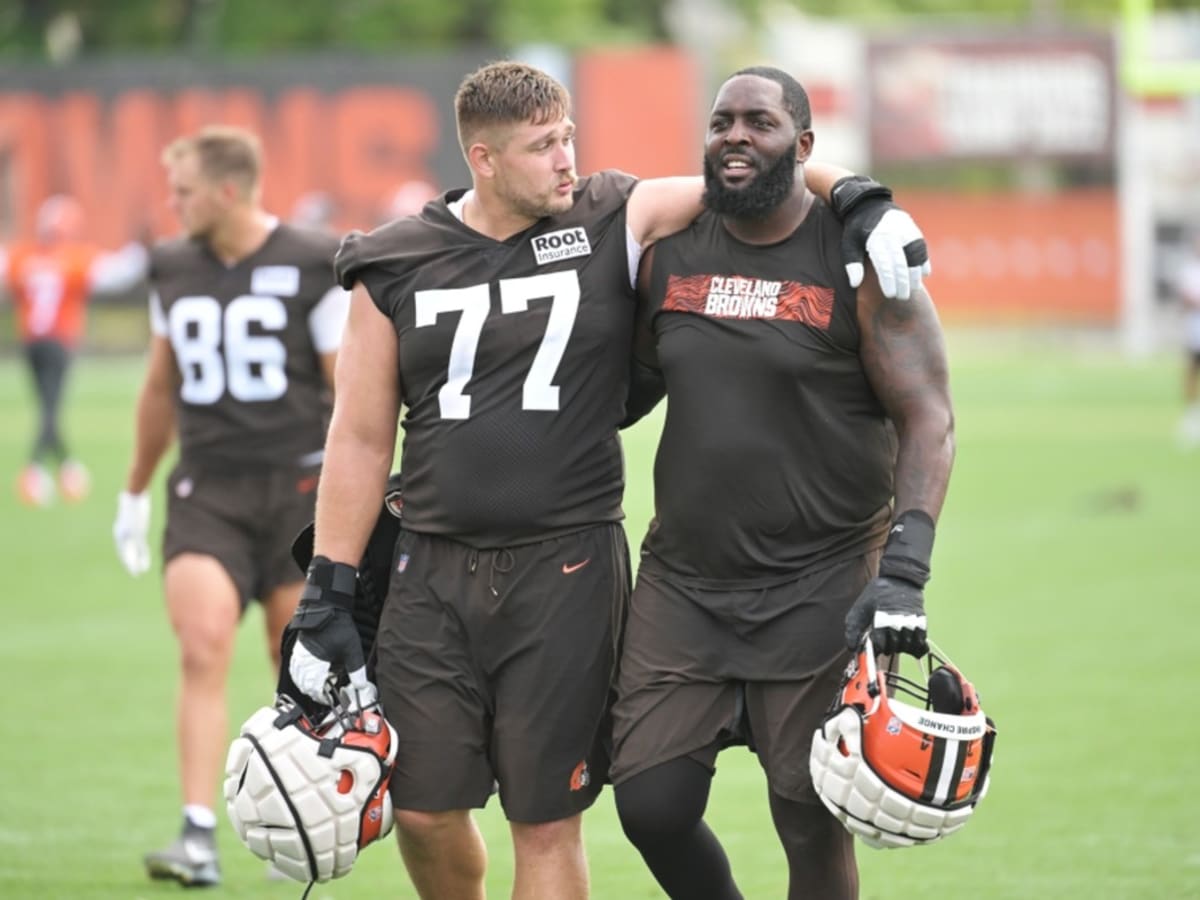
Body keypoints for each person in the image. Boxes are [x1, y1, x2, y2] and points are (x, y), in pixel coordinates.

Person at [282, 60, 933, 900]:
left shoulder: (608, 213)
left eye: (569, 138)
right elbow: (361, 436)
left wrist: (860, 194)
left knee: (547, 820)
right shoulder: (393, 260)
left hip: (566, 566)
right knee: (422, 810)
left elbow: (750, 165)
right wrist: (327, 592)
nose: (566, 160)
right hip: (430, 569)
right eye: (542, 146)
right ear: (483, 159)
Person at [609, 67, 955, 900]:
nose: (734, 135)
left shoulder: (862, 262)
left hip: (821, 580)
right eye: (721, 120)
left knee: (807, 813)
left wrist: (904, 571)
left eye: (758, 123)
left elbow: (928, 417)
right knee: (651, 806)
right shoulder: (668, 257)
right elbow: (629, 391)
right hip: (684, 582)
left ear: (802, 146)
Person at [110, 125, 350, 887]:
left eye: (182, 190)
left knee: (294, 666)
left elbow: (347, 386)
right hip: (207, 489)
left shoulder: (311, 260)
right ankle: (196, 833)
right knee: (201, 644)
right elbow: (159, 386)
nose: (172, 205)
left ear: (226, 189)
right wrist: (134, 487)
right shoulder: (172, 267)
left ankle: (308, 826)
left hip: (298, 489)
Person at [1, 194, 147, 506]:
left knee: (47, 406)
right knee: (51, 407)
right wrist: (141, 248)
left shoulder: (22, 256)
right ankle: (35, 470)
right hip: (59, 341)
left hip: (31, 342)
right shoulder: (74, 258)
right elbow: (119, 273)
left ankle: (67, 469)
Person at [1175, 229, 1200, 448]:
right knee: (1191, 374)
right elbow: (1184, 301)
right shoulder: (1190, 272)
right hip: (1195, 334)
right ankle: (1192, 416)